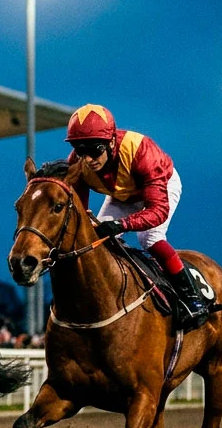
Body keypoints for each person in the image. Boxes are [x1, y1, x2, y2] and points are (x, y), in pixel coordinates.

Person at [63, 104, 212, 330]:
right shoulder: (78, 162)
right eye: (80, 149)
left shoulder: (141, 150)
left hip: (160, 187)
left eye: (95, 149)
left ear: (111, 142)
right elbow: (81, 212)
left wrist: (121, 225)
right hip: (121, 194)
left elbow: (158, 211)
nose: (89, 158)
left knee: (149, 239)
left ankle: (191, 296)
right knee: (94, 242)